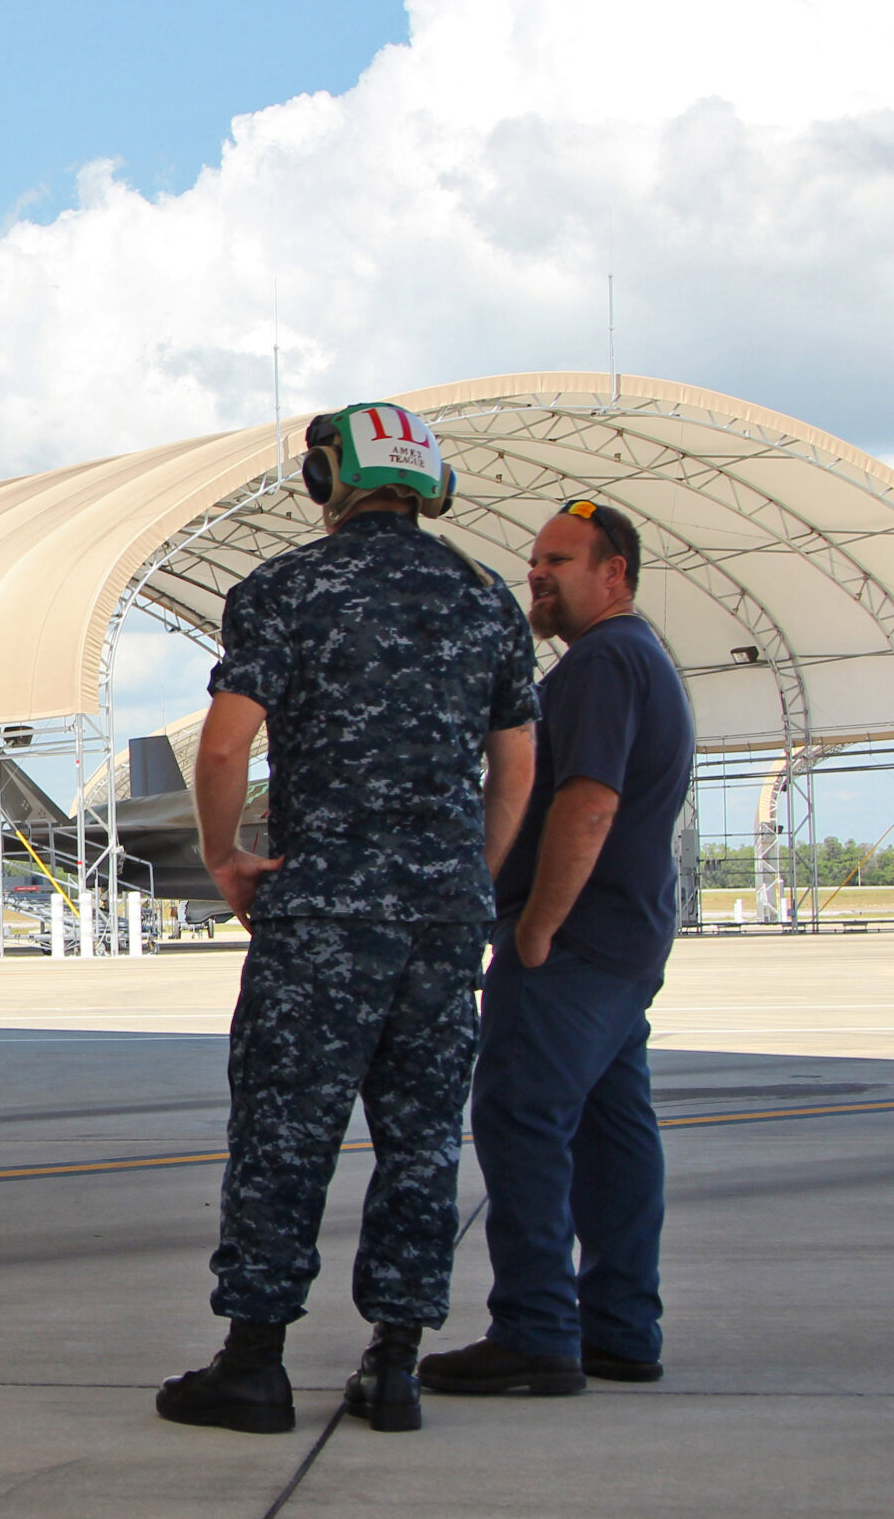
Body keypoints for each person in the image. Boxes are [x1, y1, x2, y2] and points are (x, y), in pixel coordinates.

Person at [158, 403, 537, 1437]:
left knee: (284, 1135)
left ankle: (253, 1364)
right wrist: (471, 873)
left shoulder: (284, 589)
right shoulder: (485, 598)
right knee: (419, 1142)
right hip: (440, 919)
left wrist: (227, 858)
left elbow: (227, 745)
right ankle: (397, 1364)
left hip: (323, 912)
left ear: (332, 481)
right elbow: (515, 764)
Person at [421, 501, 692, 1397]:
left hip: (574, 941)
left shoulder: (607, 663)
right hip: (625, 936)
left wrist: (535, 924)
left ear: (614, 572)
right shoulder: (638, 656)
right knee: (615, 1130)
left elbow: (589, 801)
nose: (539, 574)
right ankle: (620, 1326)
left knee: (521, 1115)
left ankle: (536, 1327)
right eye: (536, 560)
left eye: (562, 561)